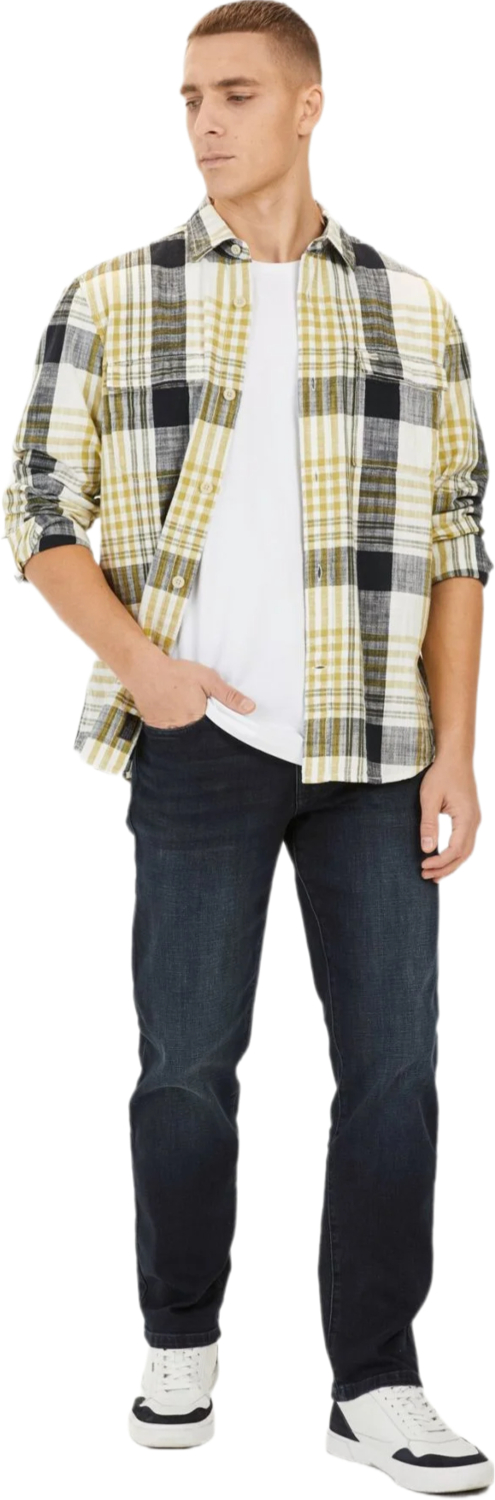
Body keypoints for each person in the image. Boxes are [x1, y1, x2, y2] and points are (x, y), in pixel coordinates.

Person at [2, 1, 493, 1486]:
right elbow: (37, 507)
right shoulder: (116, 294)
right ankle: (181, 1341)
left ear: (308, 105)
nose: (206, 123)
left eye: (234, 94)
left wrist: (457, 753)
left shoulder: (413, 307)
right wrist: (143, 670)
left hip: (378, 750)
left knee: (395, 1074)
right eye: (188, 99)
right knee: (184, 1067)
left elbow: (458, 542)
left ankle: (375, 1381)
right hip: (202, 746)